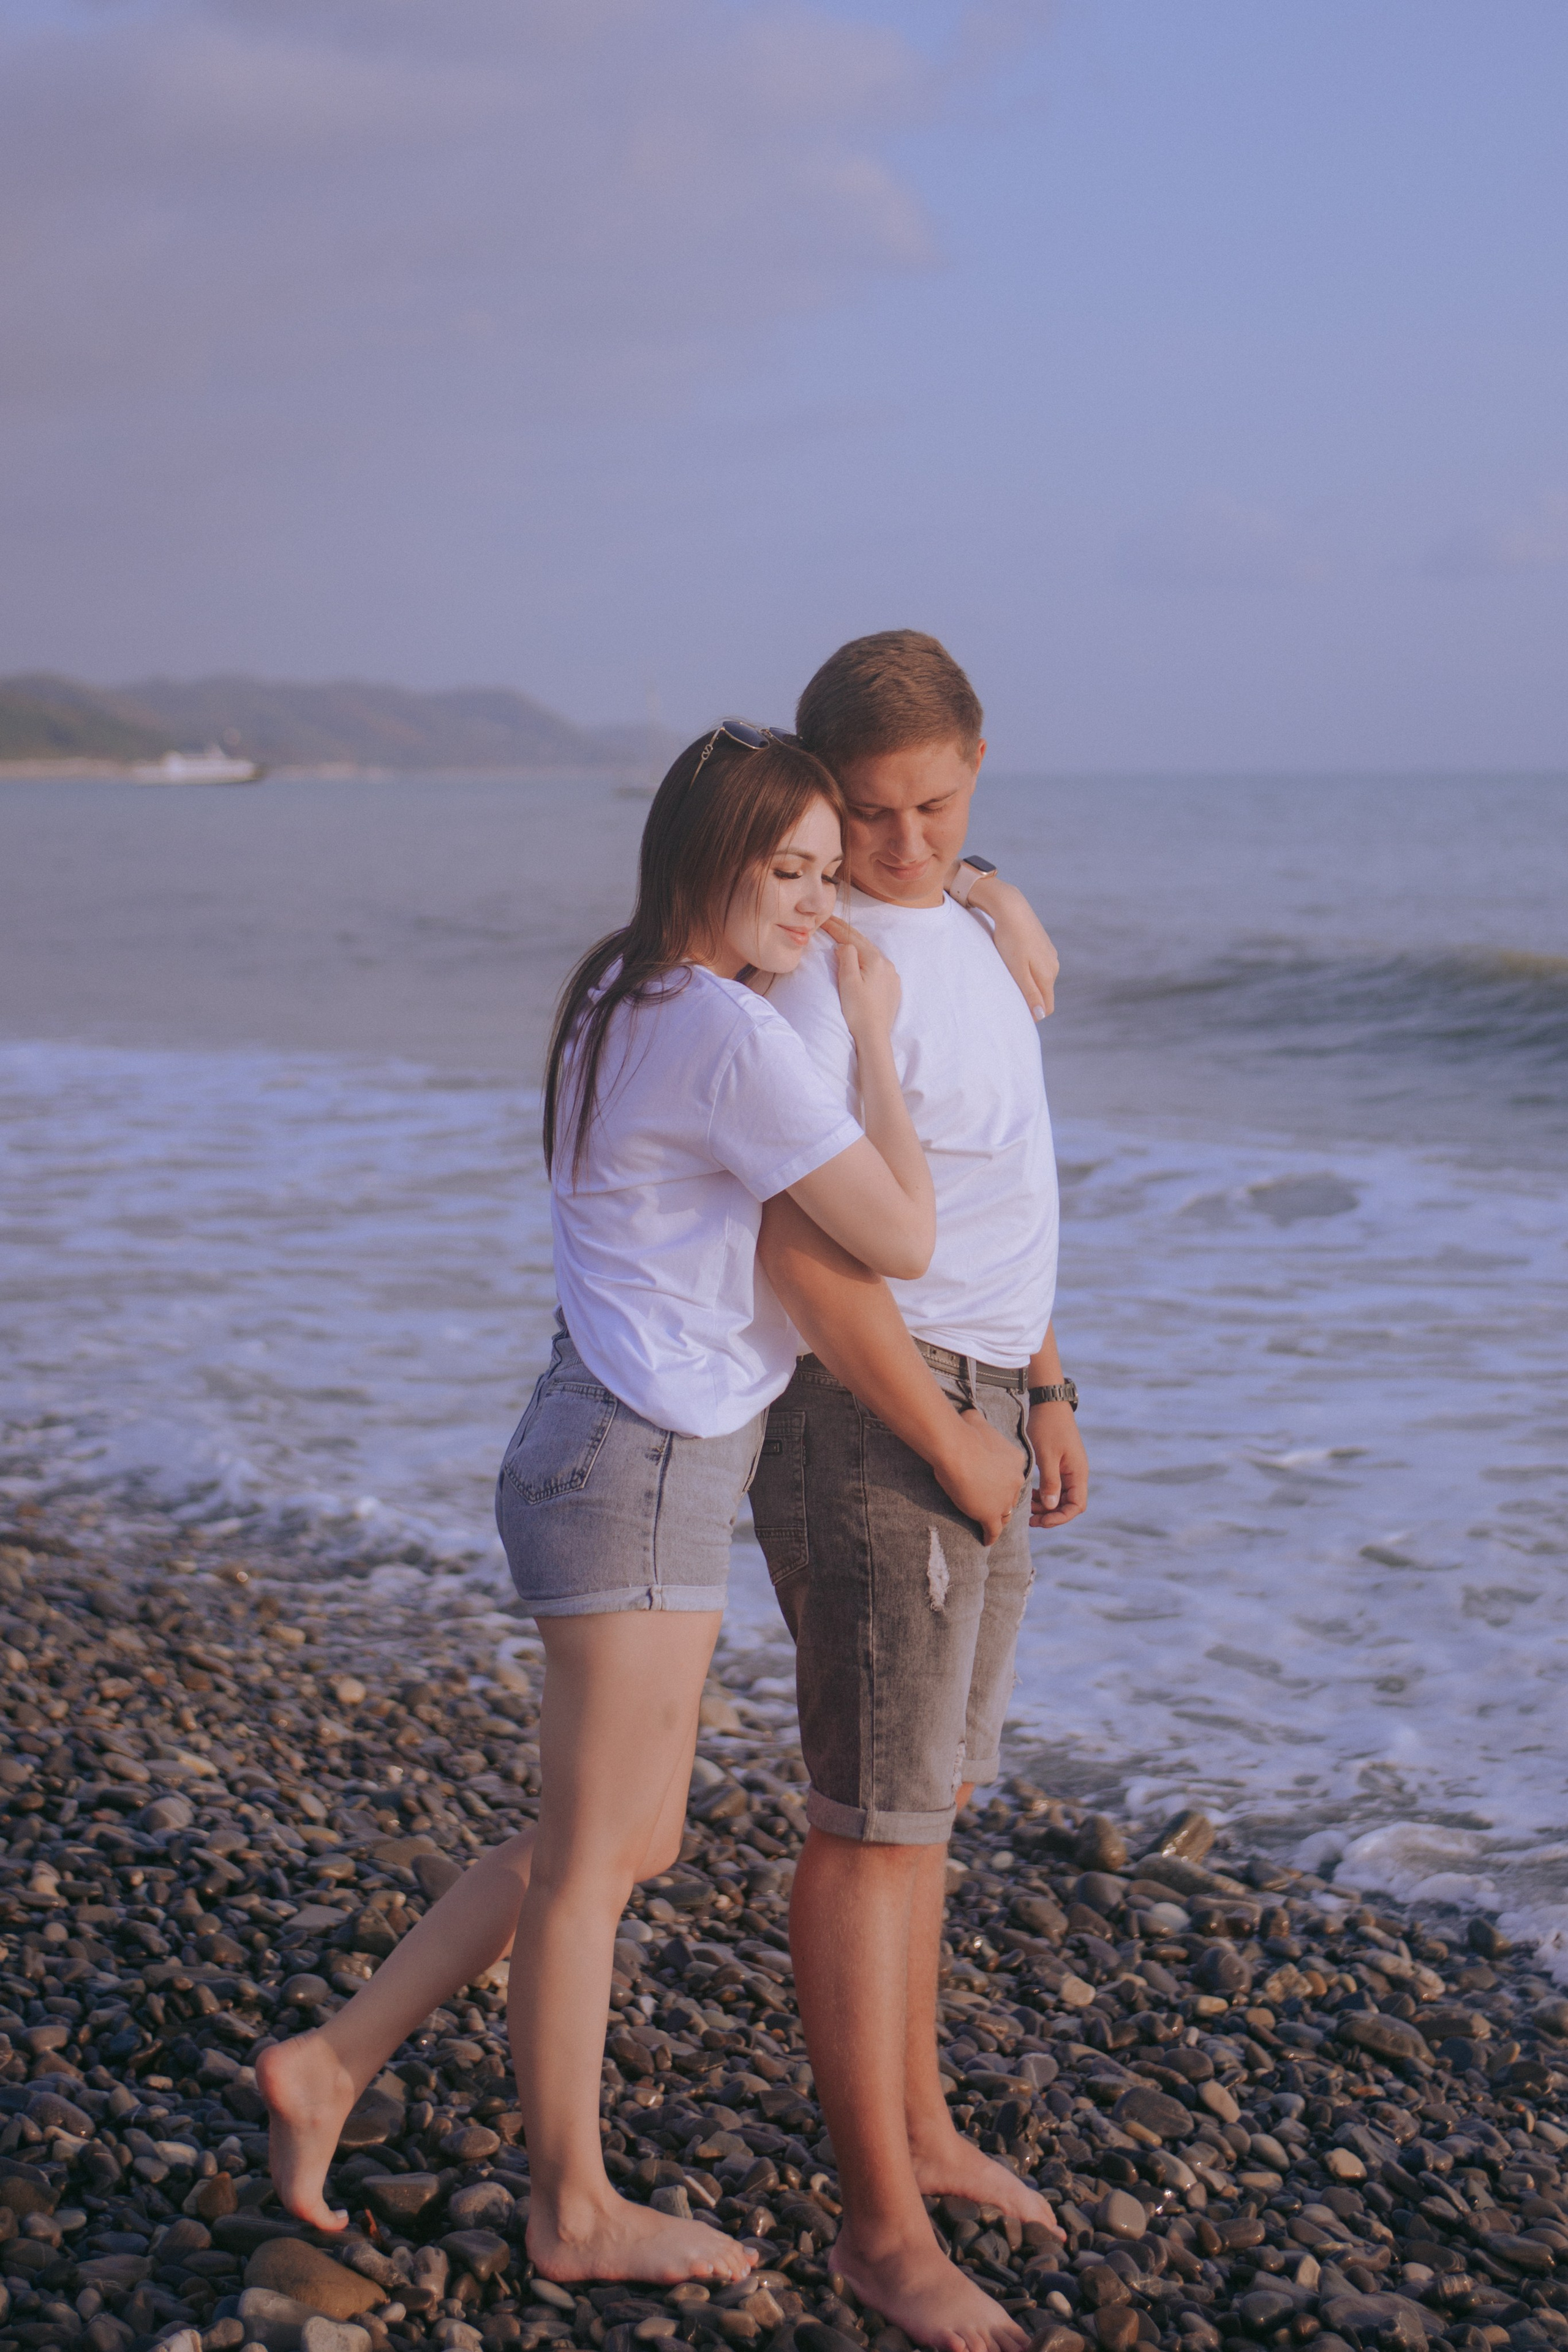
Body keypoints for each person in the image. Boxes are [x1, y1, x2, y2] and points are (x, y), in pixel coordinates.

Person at [257, 722, 1029, 2288]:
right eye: (792, 874)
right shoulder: (730, 1038)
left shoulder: (624, 991)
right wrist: (875, 1042)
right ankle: (572, 2207)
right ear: (707, 861)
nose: (820, 910)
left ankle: (334, 2062)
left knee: (614, 1840)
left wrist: (979, 912)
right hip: (637, 1468)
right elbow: (891, 1230)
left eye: (831, 876)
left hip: (605, 1453)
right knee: (598, 1860)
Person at [748, 630, 1091, 2352]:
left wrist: (1041, 1382)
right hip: (872, 1419)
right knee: (865, 1824)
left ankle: (927, 2126)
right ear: (823, 807)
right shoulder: (815, 971)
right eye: (867, 819)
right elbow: (805, 1261)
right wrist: (951, 1431)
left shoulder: (967, 917)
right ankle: (876, 2233)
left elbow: (1000, 1174)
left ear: (976, 771)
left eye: (936, 809)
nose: (901, 847)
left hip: (984, 1396)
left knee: (927, 1811)